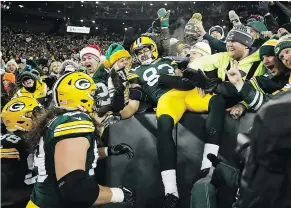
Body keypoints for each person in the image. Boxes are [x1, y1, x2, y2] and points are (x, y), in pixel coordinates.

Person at [124, 36, 220, 208]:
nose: (143, 54)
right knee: (164, 126)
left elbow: (185, 73)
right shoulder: (135, 72)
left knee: (217, 101)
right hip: (166, 98)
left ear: (153, 48)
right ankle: (171, 191)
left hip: (187, 92)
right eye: (139, 52)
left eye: (145, 49)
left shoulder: (170, 60)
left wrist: (191, 79)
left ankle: (207, 165)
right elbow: (134, 101)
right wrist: (119, 113)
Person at [24, 72, 136, 208]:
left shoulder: (59, 119)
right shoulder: (74, 121)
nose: (96, 99)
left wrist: (109, 151)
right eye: (92, 94)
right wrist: (119, 194)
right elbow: (75, 189)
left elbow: (72, 156)